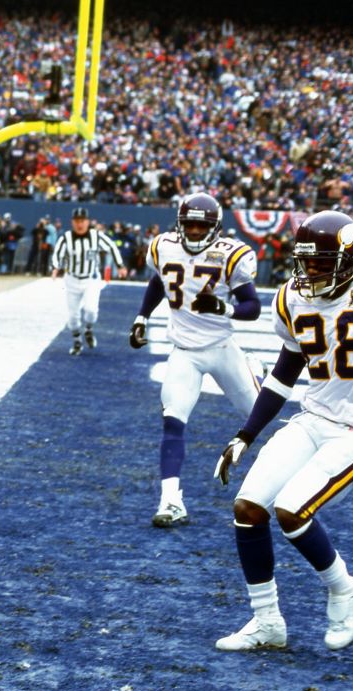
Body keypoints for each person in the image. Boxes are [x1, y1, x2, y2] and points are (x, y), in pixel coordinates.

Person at [212, 210, 353, 652]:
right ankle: (267, 622)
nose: (311, 271)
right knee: (248, 507)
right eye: (306, 261)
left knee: (292, 509)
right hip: (313, 416)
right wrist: (246, 434)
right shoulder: (293, 297)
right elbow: (284, 372)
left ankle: (345, 588)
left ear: (348, 258)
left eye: (322, 262)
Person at [127, 192, 262, 527]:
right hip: (184, 352)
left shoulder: (233, 254)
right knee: (173, 421)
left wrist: (225, 307)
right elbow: (160, 279)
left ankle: (254, 370)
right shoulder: (163, 246)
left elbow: (253, 307)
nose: (195, 232)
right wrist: (142, 317)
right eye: (190, 225)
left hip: (221, 348)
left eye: (202, 227)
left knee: (258, 418)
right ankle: (171, 501)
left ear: (215, 228)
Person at [50, 207, 122, 355]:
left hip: (91, 279)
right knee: (73, 316)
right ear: (72, 222)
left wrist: (120, 265)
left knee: (91, 310)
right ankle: (77, 340)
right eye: (77, 221)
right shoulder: (66, 238)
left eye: (82, 220)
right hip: (71, 279)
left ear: (88, 222)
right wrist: (55, 267)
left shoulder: (96, 236)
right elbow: (57, 253)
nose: (80, 224)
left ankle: (88, 329)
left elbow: (112, 247)